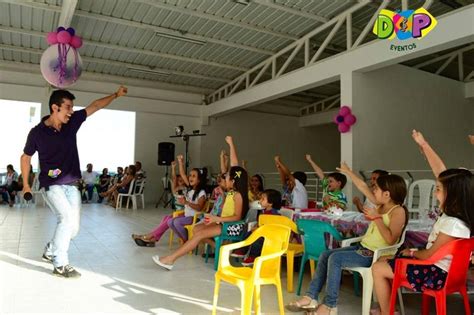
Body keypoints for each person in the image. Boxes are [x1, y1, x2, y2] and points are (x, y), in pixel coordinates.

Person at [21, 86, 127, 278]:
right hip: (51, 185)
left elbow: (95, 106)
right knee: (66, 219)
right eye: (68, 107)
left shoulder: (71, 124)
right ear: (55, 107)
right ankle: (60, 264)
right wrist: (26, 185)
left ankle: (50, 250)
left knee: (73, 229)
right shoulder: (37, 133)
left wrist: (116, 95)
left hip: (71, 185)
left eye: (72, 107)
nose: (71, 111)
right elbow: (25, 158)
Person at [371, 130, 473, 315]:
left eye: (439, 189)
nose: (435, 193)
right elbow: (440, 172)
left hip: (436, 275)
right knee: (384, 260)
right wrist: (424, 145)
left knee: (378, 268)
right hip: (447, 273)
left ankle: (387, 312)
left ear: (453, 194)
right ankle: (388, 307)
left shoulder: (452, 223)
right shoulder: (459, 217)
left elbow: (429, 256)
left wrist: (411, 252)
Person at [286, 174, 407, 314]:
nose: (373, 191)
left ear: (387, 194)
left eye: (376, 189)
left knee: (335, 259)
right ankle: (310, 297)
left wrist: (377, 218)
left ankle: (330, 305)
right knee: (325, 254)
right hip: (363, 248)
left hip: (375, 254)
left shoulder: (398, 211)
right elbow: (363, 187)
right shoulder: (381, 206)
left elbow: (391, 240)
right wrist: (348, 172)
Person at [153, 165, 249, 270]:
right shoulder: (230, 193)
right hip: (224, 223)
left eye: (227, 176)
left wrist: (217, 219)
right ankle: (219, 248)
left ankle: (170, 259)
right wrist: (214, 216)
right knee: (196, 229)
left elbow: (237, 217)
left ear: (233, 181)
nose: (224, 178)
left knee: (200, 235)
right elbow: (226, 210)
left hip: (233, 226)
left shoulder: (238, 195)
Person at [131, 160, 187, 247]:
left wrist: (179, 164)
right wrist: (172, 168)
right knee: (166, 217)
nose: (181, 182)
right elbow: (174, 178)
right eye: (179, 181)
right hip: (178, 213)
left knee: (169, 219)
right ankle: (154, 238)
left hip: (184, 213)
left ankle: (149, 236)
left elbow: (178, 178)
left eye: (182, 181)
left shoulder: (185, 190)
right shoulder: (175, 190)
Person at [166, 154, 207, 243]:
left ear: (199, 180)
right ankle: (184, 238)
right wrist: (180, 162)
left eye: (193, 176)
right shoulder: (189, 188)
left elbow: (200, 207)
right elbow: (182, 174)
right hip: (187, 216)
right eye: (190, 175)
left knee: (177, 222)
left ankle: (187, 241)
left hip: (195, 218)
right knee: (169, 222)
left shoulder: (201, 193)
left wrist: (186, 203)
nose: (190, 177)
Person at [241, 189, 282, 266]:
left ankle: (253, 256)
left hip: (269, 237)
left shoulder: (274, 214)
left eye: (263, 199)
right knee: (248, 233)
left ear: (270, 203)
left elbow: (270, 228)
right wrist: (255, 227)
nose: (260, 200)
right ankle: (242, 249)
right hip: (261, 232)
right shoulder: (263, 212)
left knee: (258, 239)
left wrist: (258, 229)